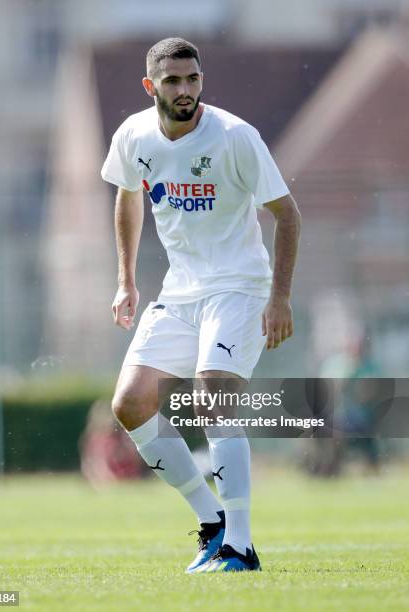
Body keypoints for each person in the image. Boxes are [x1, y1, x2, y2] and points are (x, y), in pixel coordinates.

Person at [101, 38, 301, 573]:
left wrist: (279, 297)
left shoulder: (236, 136)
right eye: (172, 81)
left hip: (239, 287)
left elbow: (288, 214)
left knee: (211, 395)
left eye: (192, 79)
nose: (185, 89)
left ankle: (241, 545)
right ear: (151, 87)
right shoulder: (134, 135)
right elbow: (127, 193)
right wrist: (126, 280)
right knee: (131, 403)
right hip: (180, 291)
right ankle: (211, 522)